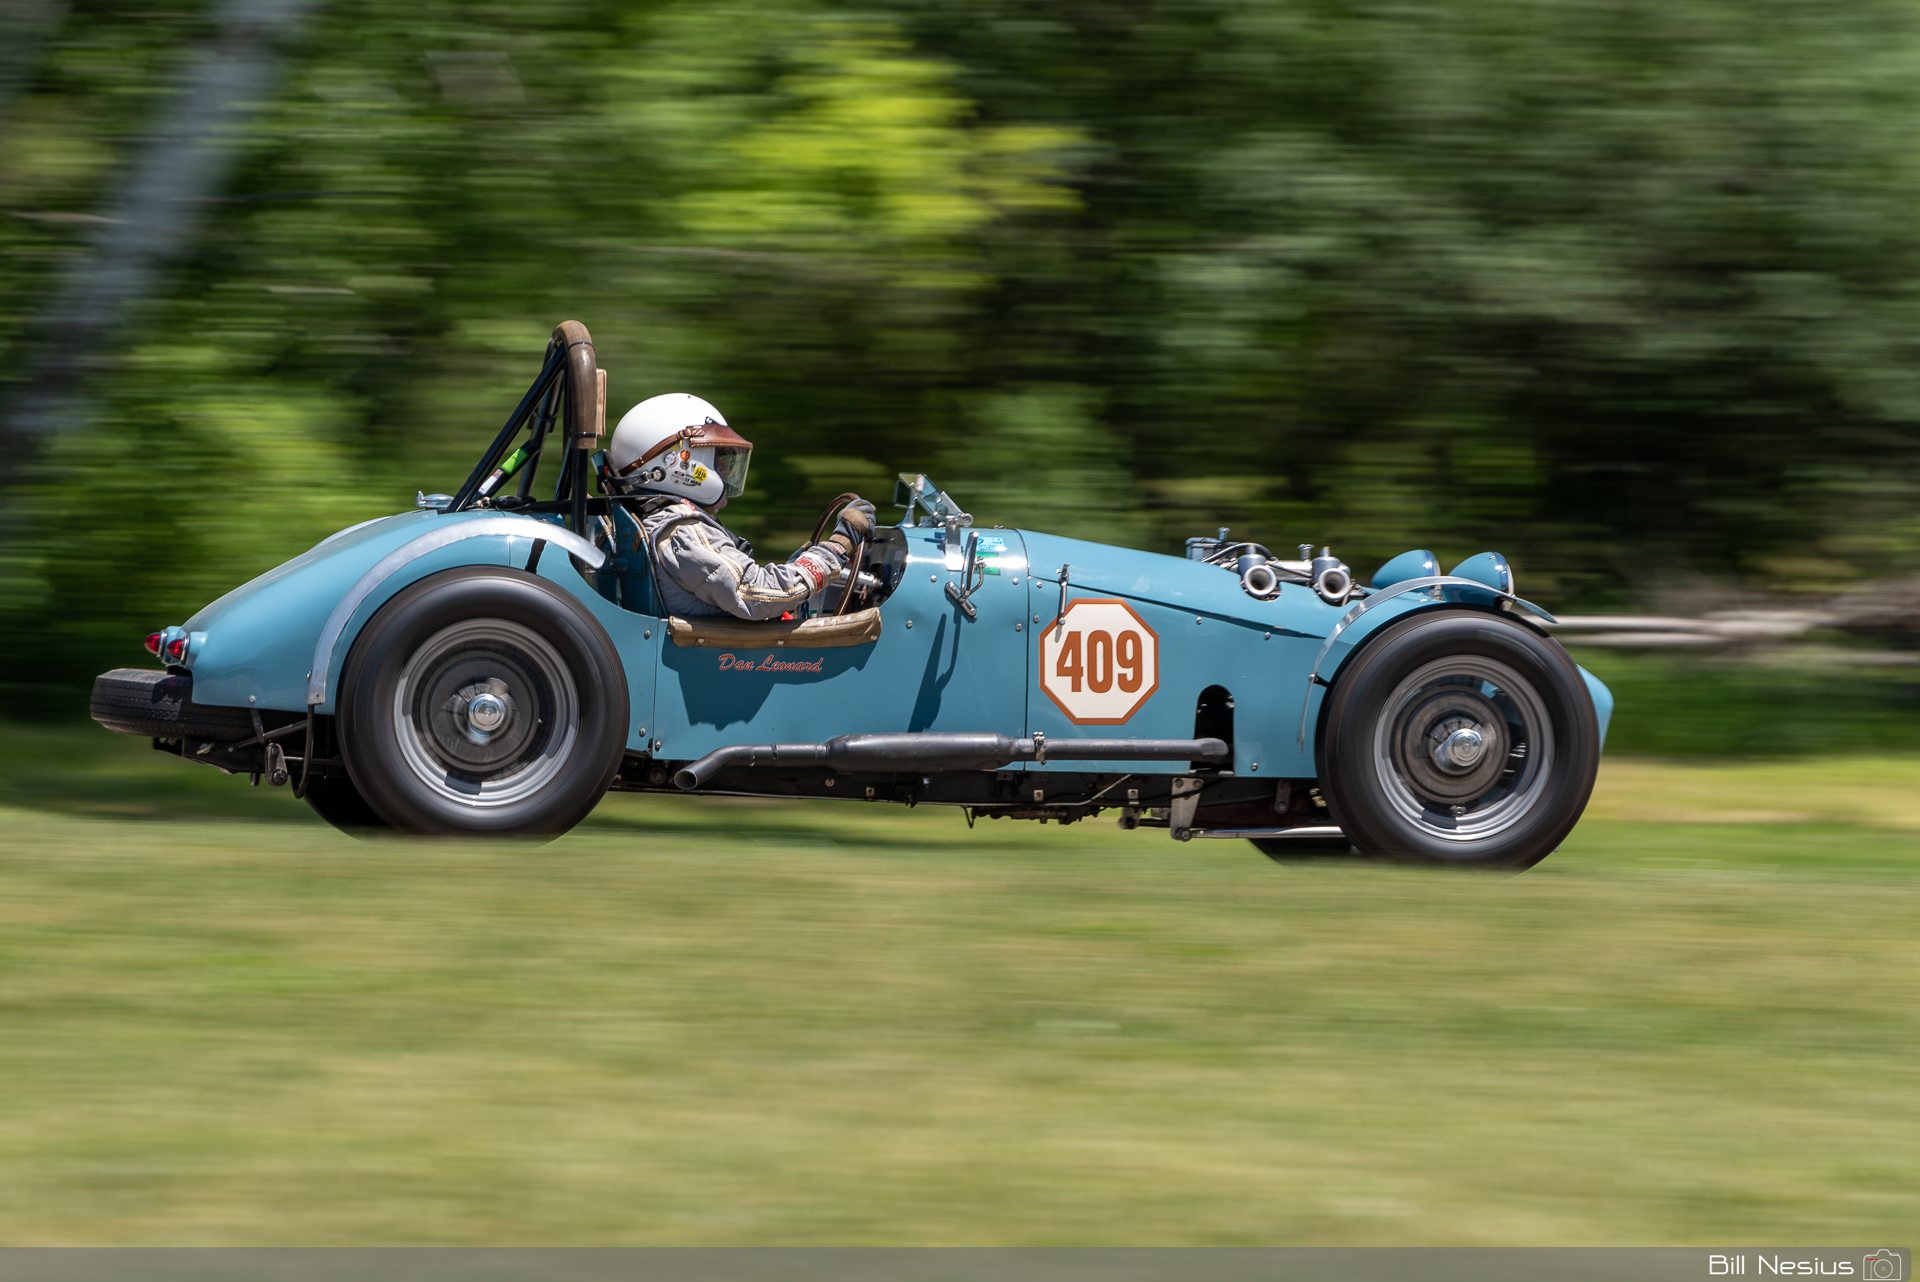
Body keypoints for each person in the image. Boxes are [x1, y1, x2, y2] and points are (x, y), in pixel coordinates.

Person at [599, 393, 875, 620]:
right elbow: (758, 594)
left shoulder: (649, 523)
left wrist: (802, 562)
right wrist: (837, 548)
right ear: (677, 462)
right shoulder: (681, 532)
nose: (723, 469)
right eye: (716, 457)